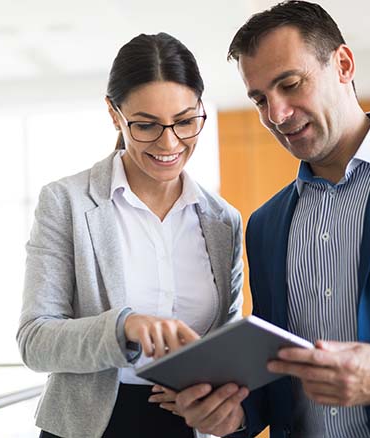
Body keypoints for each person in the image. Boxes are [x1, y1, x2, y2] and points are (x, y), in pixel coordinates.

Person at [169, 1, 370, 437]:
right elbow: (279, 374)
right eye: (260, 99)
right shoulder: (264, 226)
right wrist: (235, 414)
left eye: (290, 84)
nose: (275, 115)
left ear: (344, 64)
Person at [16, 32, 244, 438]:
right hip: (89, 427)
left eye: (186, 121)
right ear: (114, 114)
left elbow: (224, 340)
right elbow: (35, 340)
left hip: (188, 426)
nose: (169, 142)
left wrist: (215, 392)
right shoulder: (66, 202)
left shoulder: (223, 220)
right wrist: (124, 327)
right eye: (146, 125)